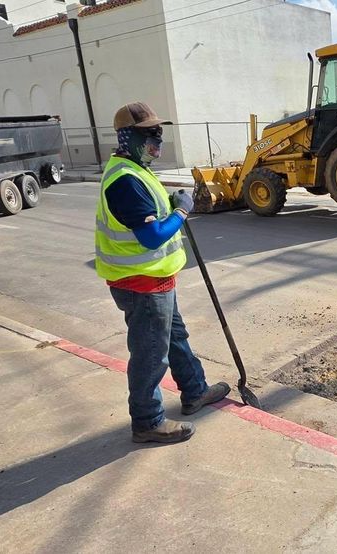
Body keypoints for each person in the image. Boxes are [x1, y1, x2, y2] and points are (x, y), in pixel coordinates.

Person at [96, 102, 230, 444]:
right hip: (141, 285)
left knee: (175, 339)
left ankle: (195, 391)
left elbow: (150, 217)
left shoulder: (137, 168)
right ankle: (147, 421)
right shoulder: (124, 180)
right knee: (151, 354)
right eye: (149, 133)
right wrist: (183, 211)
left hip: (157, 281)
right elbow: (151, 235)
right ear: (128, 137)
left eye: (159, 131)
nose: (158, 138)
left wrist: (167, 204)